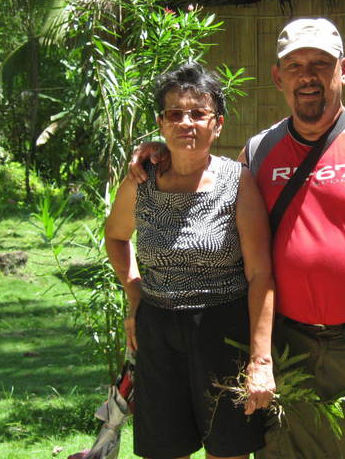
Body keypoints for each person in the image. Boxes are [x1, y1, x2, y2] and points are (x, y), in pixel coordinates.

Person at [130, 19, 345, 458]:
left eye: (320, 63)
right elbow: (204, 174)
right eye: (295, 65)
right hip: (287, 342)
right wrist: (158, 152)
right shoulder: (259, 152)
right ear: (278, 77)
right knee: (287, 449)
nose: (308, 75)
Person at [106, 63, 276, 459]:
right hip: (157, 331)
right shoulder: (141, 180)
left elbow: (260, 273)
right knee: (164, 450)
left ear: (216, 124)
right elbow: (115, 236)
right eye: (175, 113)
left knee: (227, 449)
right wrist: (135, 292)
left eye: (198, 113)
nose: (186, 122)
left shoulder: (238, 181)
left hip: (221, 327)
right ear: (160, 124)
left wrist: (259, 358)